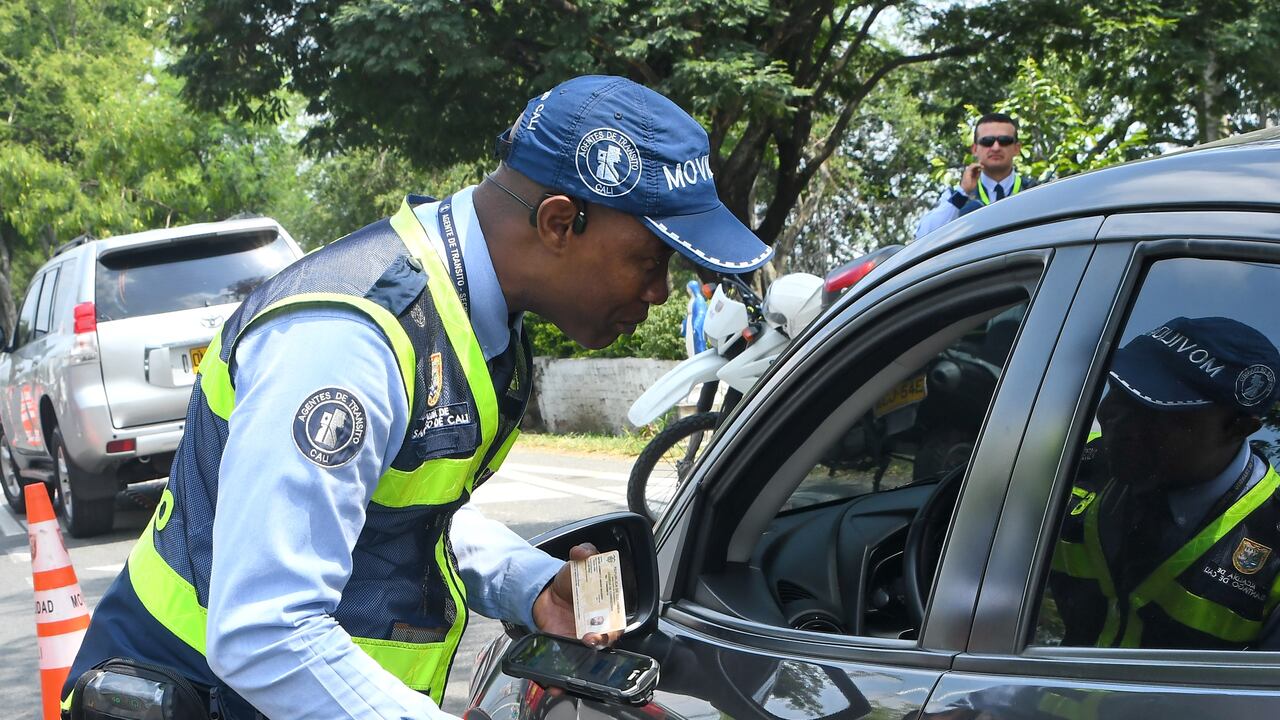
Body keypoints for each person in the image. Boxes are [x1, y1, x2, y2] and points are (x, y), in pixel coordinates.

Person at [62, 75, 772, 719]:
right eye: (651, 261)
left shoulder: (477, 316)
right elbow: (266, 629)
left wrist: (529, 583)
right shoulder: (350, 339)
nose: (657, 293)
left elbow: (383, 519)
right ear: (559, 223)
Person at [1049, 316, 1280, 650]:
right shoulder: (1067, 465)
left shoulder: (1271, 544)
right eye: (1117, 388)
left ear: (1239, 428)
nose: (1109, 413)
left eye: (1152, 409)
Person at [914, 112, 1039, 239]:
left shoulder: (1035, 192)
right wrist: (962, 193)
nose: (996, 147)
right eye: (987, 141)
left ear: (1017, 148)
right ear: (974, 149)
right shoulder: (956, 197)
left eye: (1004, 141)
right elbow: (923, 236)